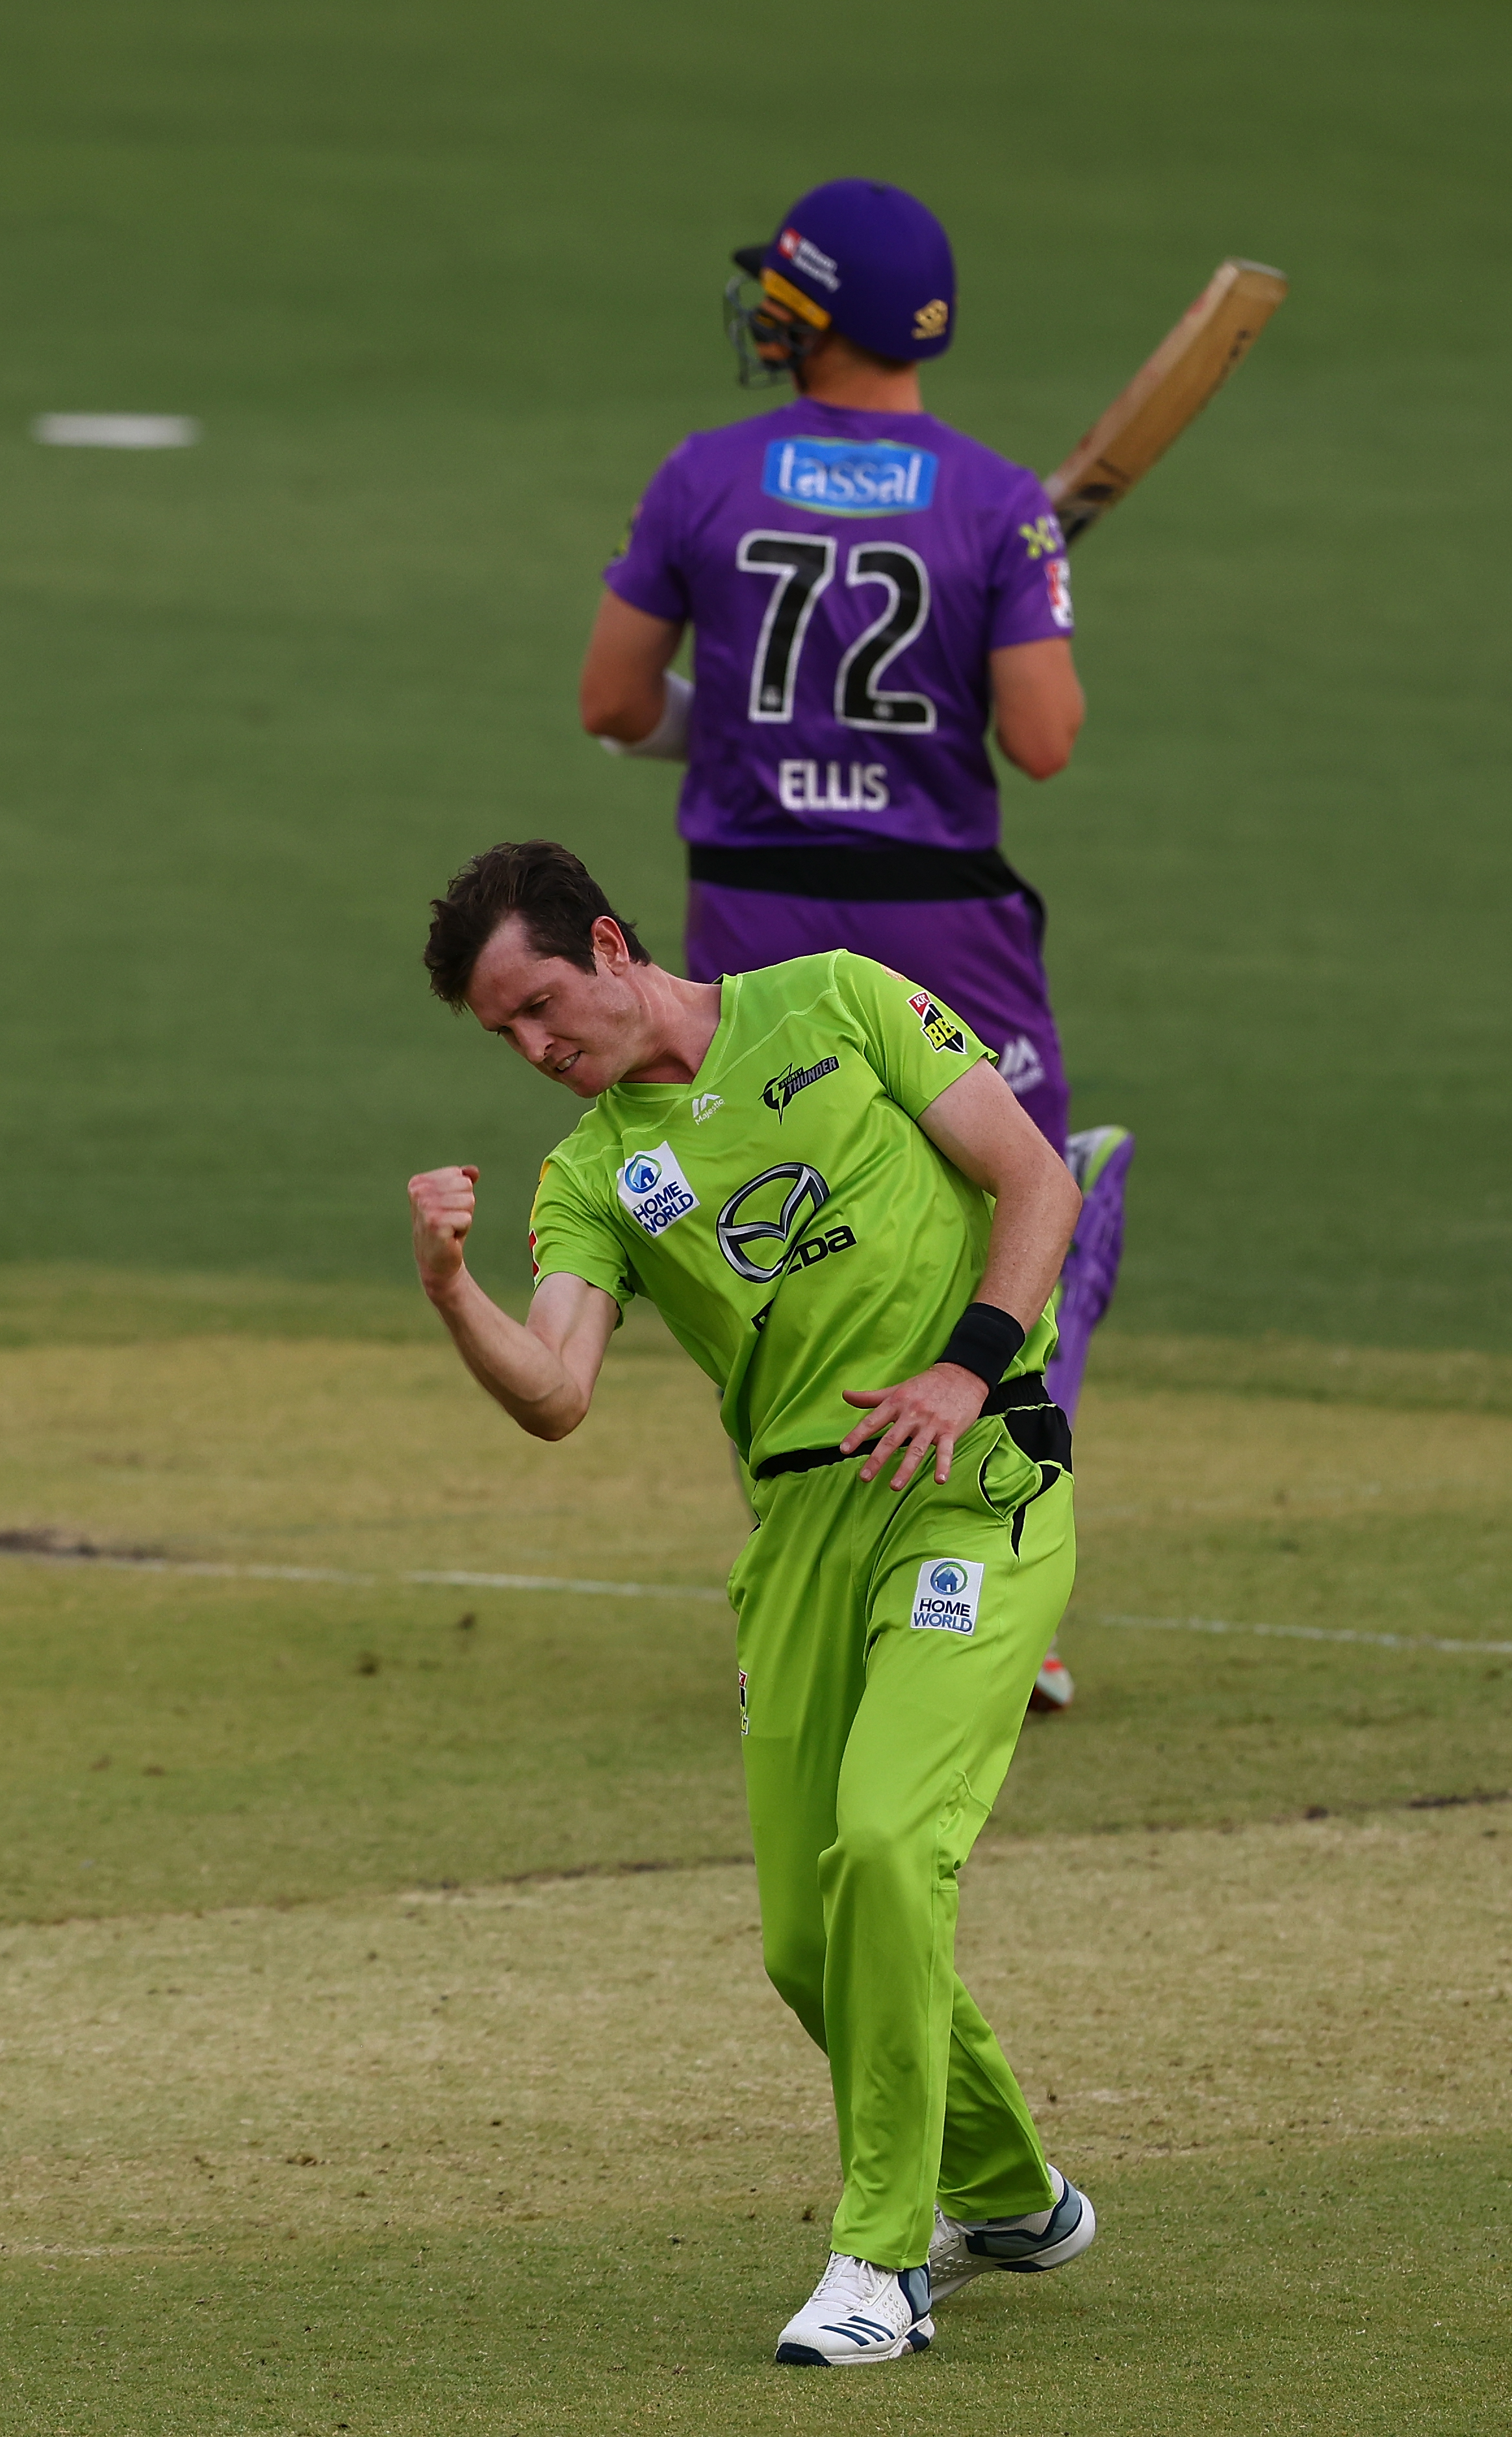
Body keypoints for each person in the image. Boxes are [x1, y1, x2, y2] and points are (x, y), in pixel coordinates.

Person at [408, 839, 1097, 2366]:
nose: (535, 1050)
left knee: (887, 1845)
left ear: (606, 942)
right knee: (806, 1940)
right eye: (502, 1037)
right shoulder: (594, 1174)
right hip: (799, 1531)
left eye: (538, 1006)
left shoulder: (839, 1002)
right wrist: (458, 1291)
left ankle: (882, 2261)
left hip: (974, 1482)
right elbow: (558, 1395)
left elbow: (1035, 1179)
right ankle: (1010, 2193)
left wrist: (961, 1366)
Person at [578, 177, 1134, 1711]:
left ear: (814, 317)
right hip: (936, 908)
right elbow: (1047, 743)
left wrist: (739, 735)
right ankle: (998, 1589)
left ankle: (821, 1593)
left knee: (787, 1232)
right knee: (1016, 1187)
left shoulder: (705, 476)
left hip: (752, 912)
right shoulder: (995, 501)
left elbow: (614, 704)